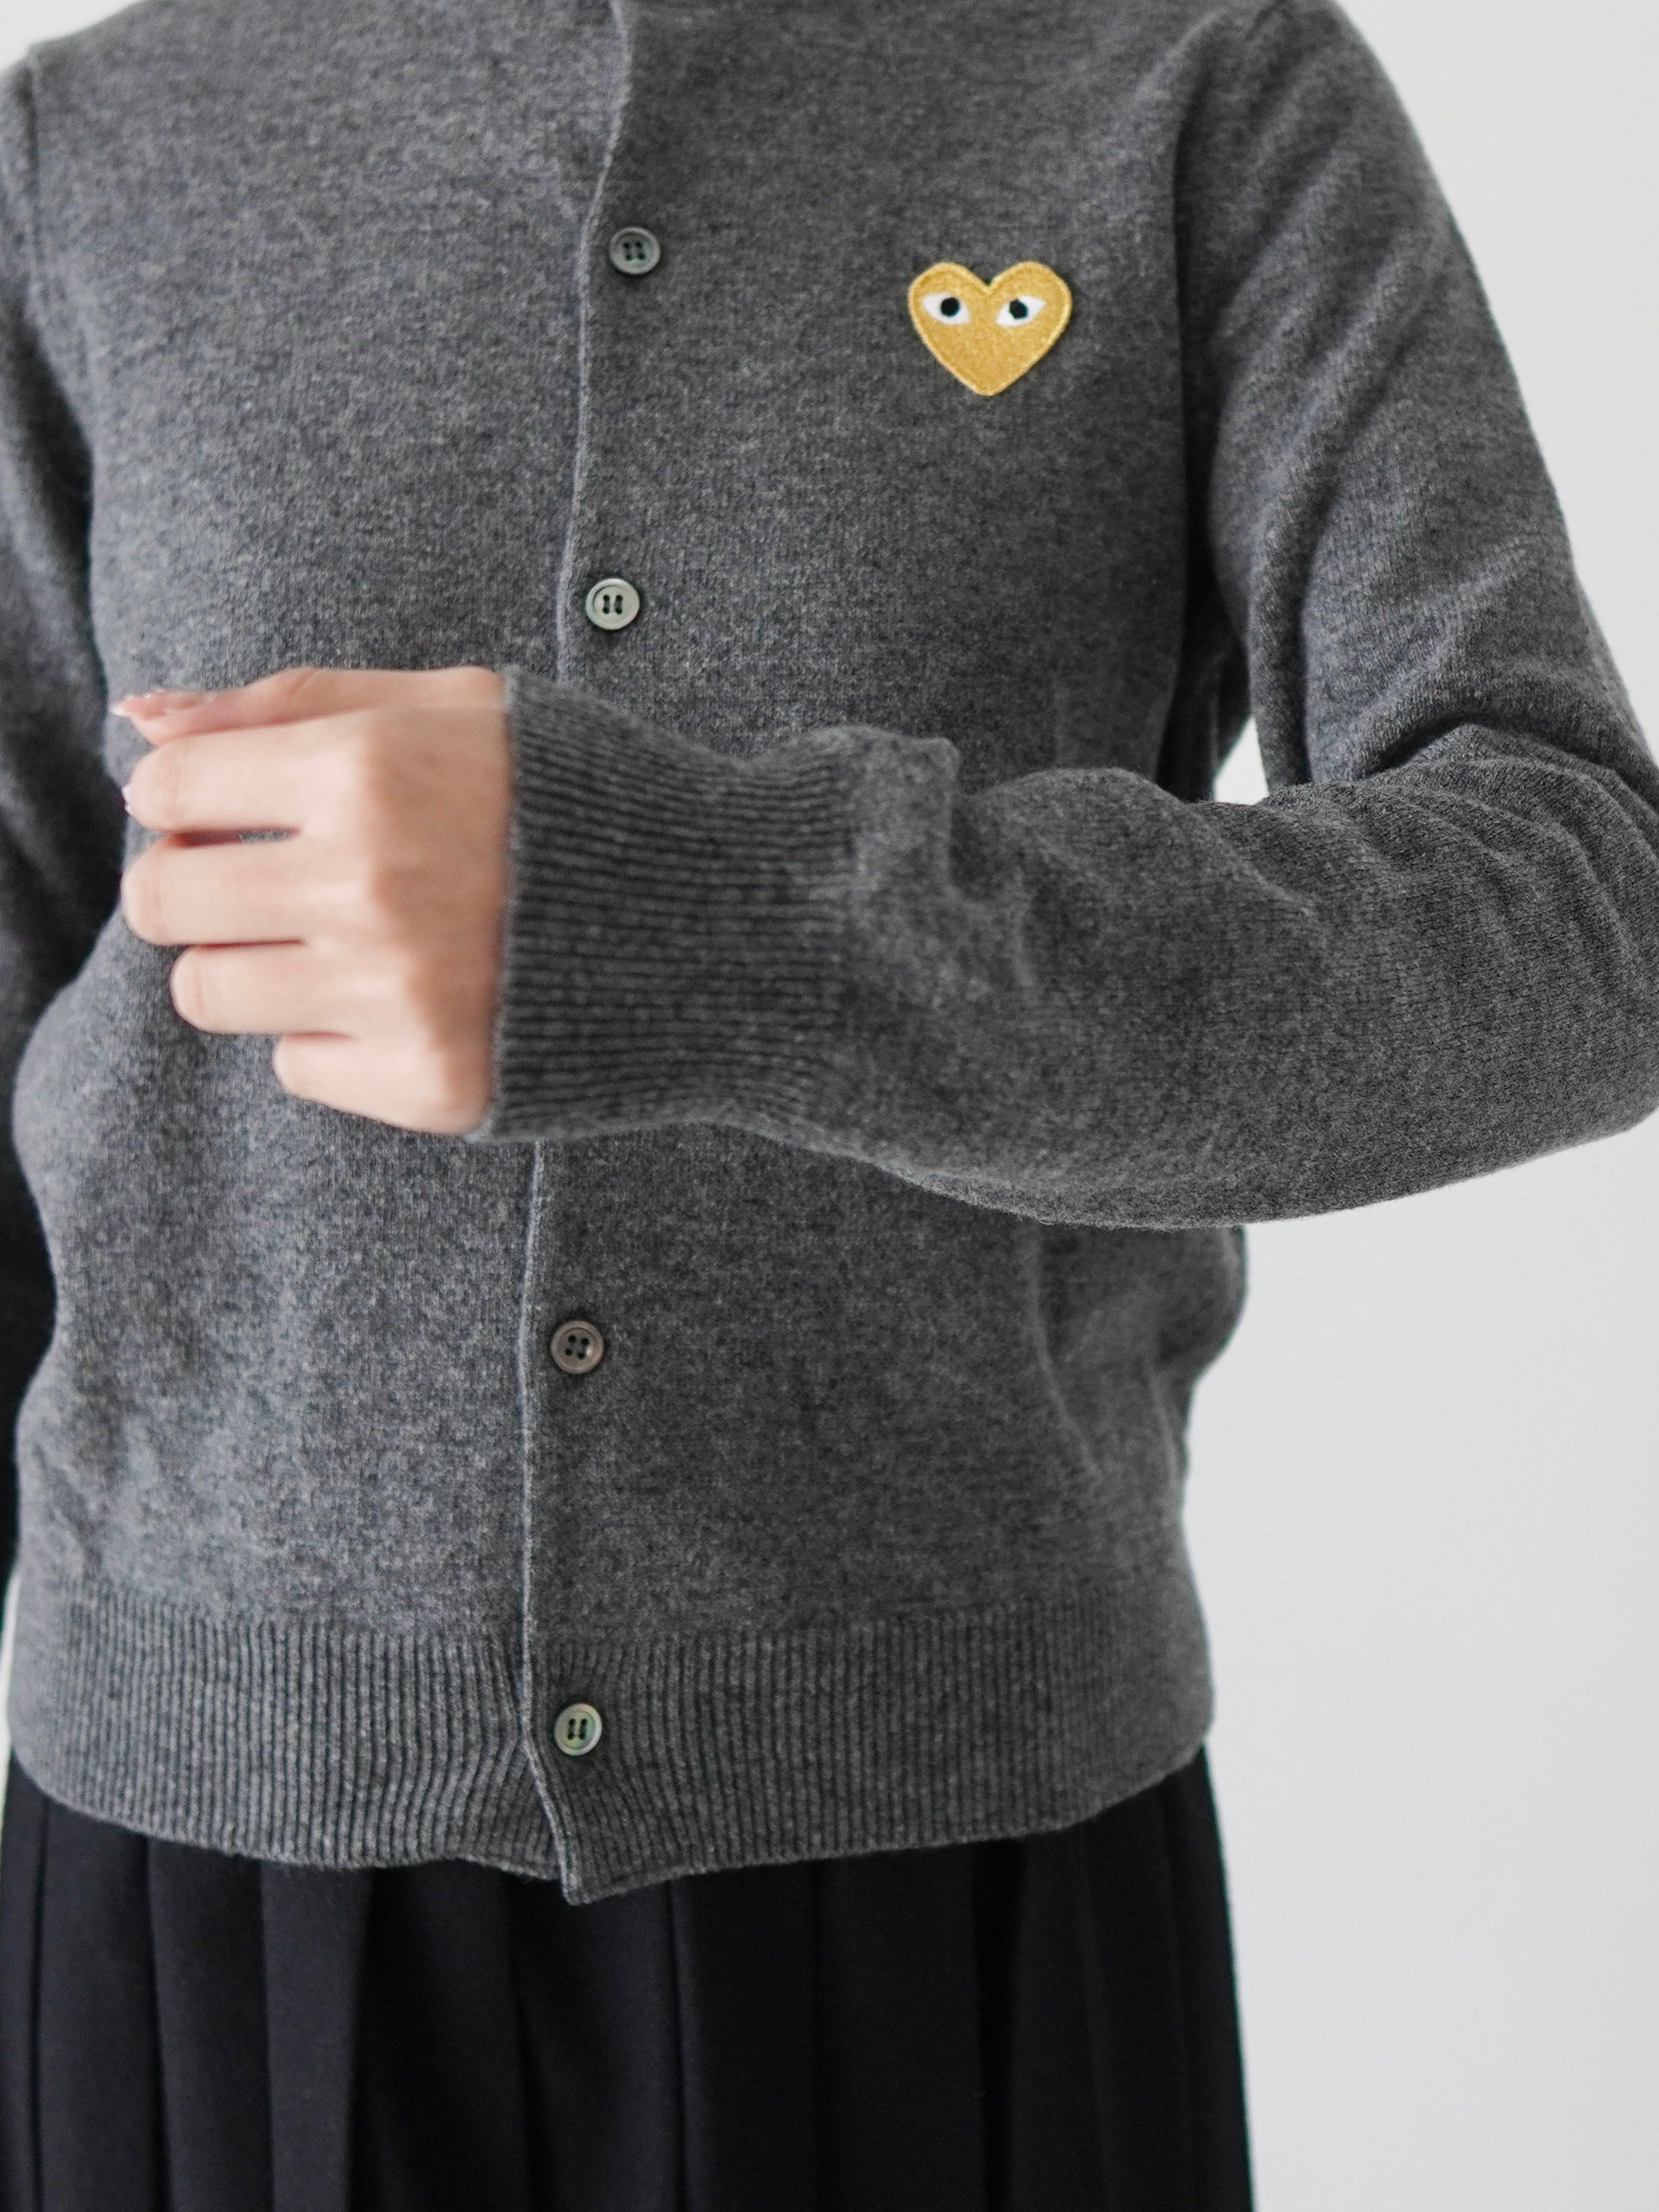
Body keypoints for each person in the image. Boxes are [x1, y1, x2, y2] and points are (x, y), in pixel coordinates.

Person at [0, 0, 1655, 2203]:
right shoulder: (98, 147)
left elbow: (1580, 913)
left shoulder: (1188, 78)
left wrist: (707, 918)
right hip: (201, 1868)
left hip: (958, 1868)